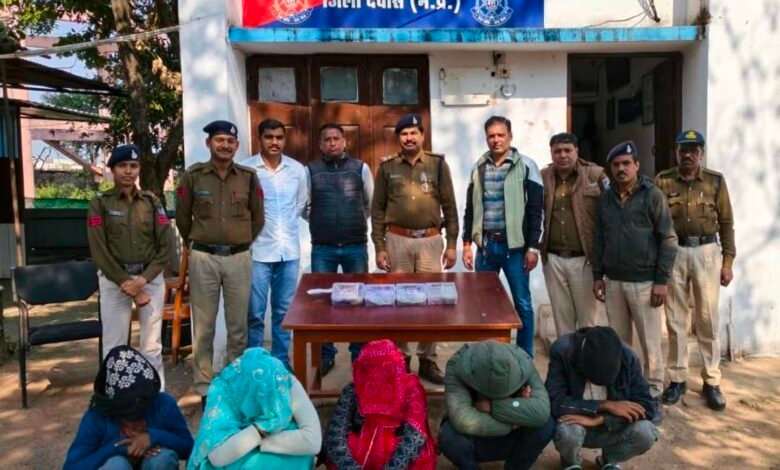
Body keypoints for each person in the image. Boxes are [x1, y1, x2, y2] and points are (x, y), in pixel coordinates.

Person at [175, 120, 264, 408]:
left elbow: (257, 218)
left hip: (239, 258)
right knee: (204, 327)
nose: (225, 145)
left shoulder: (249, 177)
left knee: (238, 327)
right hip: (204, 258)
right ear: (209, 143)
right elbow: (182, 218)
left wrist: (239, 241)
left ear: (236, 146)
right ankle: (204, 388)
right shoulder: (193, 177)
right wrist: (200, 242)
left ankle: (234, 384)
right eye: (219, 140)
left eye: (230, 141)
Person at [370, 114, 459, 385]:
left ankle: (428, 359)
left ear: (422, 135)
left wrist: (452, 244)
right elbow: (377, 210)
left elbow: (450, 206)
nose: (409, 138)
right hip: (397, 241)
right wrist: (380, 246)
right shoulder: (387, 168)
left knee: (433, 302)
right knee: (398, 302)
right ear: (399, 137)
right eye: (404, 133)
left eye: (413, 133)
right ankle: (401, 358)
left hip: (430, 242)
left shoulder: (437, 165)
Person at [592, 141, 677, 420]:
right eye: (616, 165)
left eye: (626, 163)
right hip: (614, 282)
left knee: (650, 344)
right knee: (619, 343)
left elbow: (668, 239)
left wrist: (662, 280)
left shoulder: (652, 195)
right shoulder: (606, 199)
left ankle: (653, 396)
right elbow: (600, 238)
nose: (621, 169)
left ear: (637, 165)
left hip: (645, 283)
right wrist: (597, 275)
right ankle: (624, 392)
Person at [655, 130, 735, 411]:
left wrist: (727, 262)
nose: (688, 155)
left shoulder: (715, 181)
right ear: (676, 153)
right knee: (675, 318)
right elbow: (655, 221)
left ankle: (712, 381)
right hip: (674, 251)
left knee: (707, 318)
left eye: (694, 150)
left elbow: (726, 223)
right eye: (683, 150)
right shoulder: (664, 180)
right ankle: (677, 379)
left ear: (702, 153)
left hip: (706, 252)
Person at [87, 144, 171, 387]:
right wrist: (127, 283)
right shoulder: (100, 203)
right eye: (122, 165)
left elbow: (165, 247)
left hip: (150, 279)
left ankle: (156, 396)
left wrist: (142, 281)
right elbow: (99, 251)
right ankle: (115, 397)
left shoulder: (152, 202)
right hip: (114, 281)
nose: (128, 171)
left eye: (133, 166)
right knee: (114, 346)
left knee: (152, 346)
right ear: (112, 170)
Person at [462, 116, 544, 356]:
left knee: (522, 303)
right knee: (483, 305)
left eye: (500, 135)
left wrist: (533, 248)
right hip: (486, 248)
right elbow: (470, 209)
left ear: (510, 136)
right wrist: (467, 244)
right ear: (486, 138)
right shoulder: (479, 167)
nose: (496, 140)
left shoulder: (526, 166)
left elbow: (536, 210)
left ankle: (524, 357)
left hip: (515, 250)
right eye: (491, 136)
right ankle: (489, 355)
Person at [305, 123, 374, 376]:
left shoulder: (360, 168)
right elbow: (305, 206)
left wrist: (352, 220)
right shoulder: (311, 170)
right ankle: (326, 354)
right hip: (323, 248)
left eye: (336, 138)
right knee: (322, 304)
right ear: (320, 144)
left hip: (355, 246)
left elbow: (370, 203)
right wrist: (320, 221)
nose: (332, 143)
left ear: (345, 142)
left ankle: (359, 354)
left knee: (358, 302)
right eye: (327, 139)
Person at [240, 119, 307, 370]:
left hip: (288, 252)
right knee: (255, 313)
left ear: (284, 140)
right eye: (269, 137)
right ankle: (254, 363)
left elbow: (299, 205)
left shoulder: (297, 170)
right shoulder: (247, 169)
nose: (274, 142)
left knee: (283, 311)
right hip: (258, 252)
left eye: (279, 137)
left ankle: (280, 362)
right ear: (260, 139)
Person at [186, 347, 322, 470]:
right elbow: (217, 456)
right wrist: (261, 430)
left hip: (254, 449)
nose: (275, 409)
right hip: (247, 452)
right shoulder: (225, 392)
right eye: (265, 399)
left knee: (297, 457)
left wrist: (259, 441)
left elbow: (313, 441)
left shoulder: (281, 380)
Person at [545, 326, 659, 470]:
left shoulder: (628, 357)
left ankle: (609, 460)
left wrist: (603, 419)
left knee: (646, 432)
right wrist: (604, 405)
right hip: (576, 423)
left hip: (612, 425)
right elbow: (553, 402)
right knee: (567, 432)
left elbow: (647, 408)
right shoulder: (563, 351)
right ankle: (571, 462)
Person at [64, 345, 194, 470]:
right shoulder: (97, 417)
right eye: (129, 419)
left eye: (141, 415)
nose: (135, 429)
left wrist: (153, 437)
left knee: (162, 459)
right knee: (116, 465)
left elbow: (189, 448)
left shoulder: (163, 403)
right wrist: (115, 448)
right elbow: (71, 467)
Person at [438, 340, 555, 470]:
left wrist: (492, 406)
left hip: (506, 430)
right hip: (479, 433)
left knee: (546, 425)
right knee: (449, 437)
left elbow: (541, 411)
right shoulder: (457, 365)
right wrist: (515, 421)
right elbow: (463, 419)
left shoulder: (523, 361)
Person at [323, 339, 437, 470]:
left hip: (398, 457)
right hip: (357, 457)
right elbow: (335, 436)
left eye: (387, 369)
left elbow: (414, 436)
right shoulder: (354, 390)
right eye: (372, 369)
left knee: (419, 454)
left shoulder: (411, 389)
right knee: (335, 450)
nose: (378, 376)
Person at [540, 133, 607, 336]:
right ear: (551, 154)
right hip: (553, 259)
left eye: (568, 150)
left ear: (577, 151)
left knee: (588, 323)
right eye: (557, 151)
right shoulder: (543, 177)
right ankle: (568, 357)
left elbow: (611, 214)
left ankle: (586, 357)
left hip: (585, 260)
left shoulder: (595, 175)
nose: (563, 155)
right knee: (563, 324)